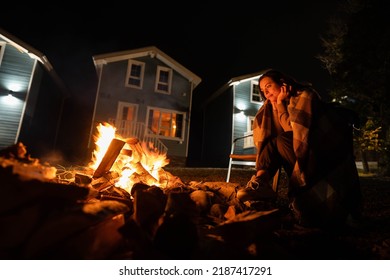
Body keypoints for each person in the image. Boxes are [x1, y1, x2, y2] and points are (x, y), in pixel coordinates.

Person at [237, 69, 362, 229]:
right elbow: (271, 135)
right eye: (262, 90)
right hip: (296, 150)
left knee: (281, 141)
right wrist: (277, 106)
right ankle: (260, 183)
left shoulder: (305, 95)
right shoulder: (272, 106)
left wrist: (281, 105)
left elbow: (296, 134)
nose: (265, 92)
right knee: (271, 142)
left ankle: (284, 191)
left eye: (268, 86)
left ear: (282, 83)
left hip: (319, 151)